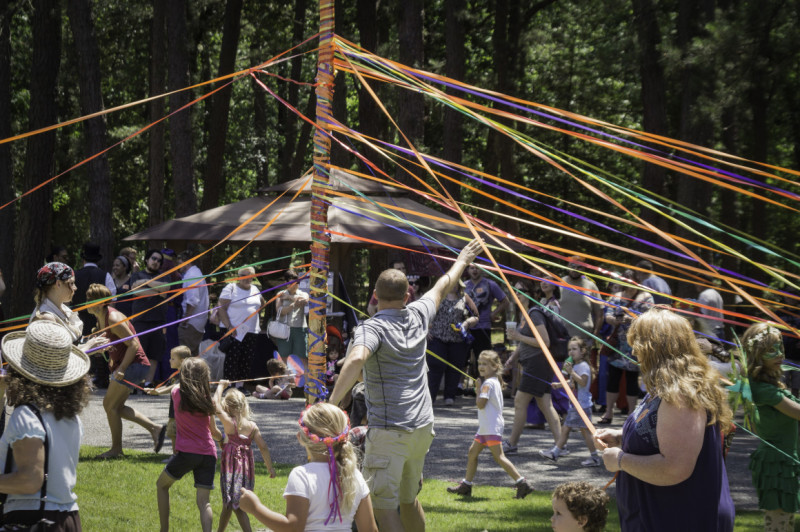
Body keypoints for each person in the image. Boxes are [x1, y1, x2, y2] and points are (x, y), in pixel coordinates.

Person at [329, 238, 483, 532]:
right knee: (409, 499)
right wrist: (462, 258)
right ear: (407, 296)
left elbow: (354, 361)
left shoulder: (370, 327)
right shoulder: (419, 313)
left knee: (383, 507)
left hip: (391, 431)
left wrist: (330, 405)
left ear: (375, 295)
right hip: (422, 428)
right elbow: (445, 283)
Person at [594, 307, 734, 531]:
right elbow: (661, 434)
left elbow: (675, 467)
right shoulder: (664, 388)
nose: (634, 353)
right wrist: (622, 437)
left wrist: (620, 460)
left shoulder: (680, 396)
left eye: (637, 346)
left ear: (654, 349)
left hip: (677, 518)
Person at [0, 320, 92, 530]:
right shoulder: (70, 416)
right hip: (67, 518)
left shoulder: (27, 415)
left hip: (36, 519)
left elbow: (30, 481)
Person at [238, 403, 378, 532]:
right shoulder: (354, 475)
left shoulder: (302, 475)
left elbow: (293, 527)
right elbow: (370, 529)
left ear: (301, 437)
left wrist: (255, 508)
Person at [85, 283, 166, 459]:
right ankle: (156, 429)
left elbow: (134, 344)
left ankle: (116, 450)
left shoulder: (113, 318)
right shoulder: (100, 319)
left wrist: (121, 369)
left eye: (89, 300)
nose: (86, 303)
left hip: (134, 365)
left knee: (109, 405)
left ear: (99, 302)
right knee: (116, 407)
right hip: (128, 365)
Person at [446, 350, 534, 498]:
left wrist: (478, 389)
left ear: (494, 366)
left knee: (499, 457)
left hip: (491, 426)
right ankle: (466, 485)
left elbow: (480, 404)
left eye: (485, 364)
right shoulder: (493, 382)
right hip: (486, 426)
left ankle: (522, 483)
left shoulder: (487, 384)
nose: (481, 366)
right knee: (472, 452)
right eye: (480, 363)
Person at [743, 323, 800, 532]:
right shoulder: (763, 389)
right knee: (778, 525)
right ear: (757, 355)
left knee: (784, 524)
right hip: (776, 465)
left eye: (780, 348)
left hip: (785, 460)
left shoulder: (769, 385)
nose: (779, 354)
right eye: (770, 350)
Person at [156, 357, 223, 532]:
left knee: (161, 485)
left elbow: (176, 386)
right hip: (208, 454)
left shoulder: (177, 393)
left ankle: (164, 530)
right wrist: (222, 440)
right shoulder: (208, 400)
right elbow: (215, 433)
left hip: (187, 453)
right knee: (204, 502)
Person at [501, 280, 562, 455]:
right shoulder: (524, 314)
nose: (517, 293)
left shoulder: (534, 314)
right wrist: (513, 357)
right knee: (545, 404)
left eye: (520, 290)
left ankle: (512, 444)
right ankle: (560, 444)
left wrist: (519, 336)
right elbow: (524, 341)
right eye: (514, 291)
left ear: (530, 294)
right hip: (534, 362)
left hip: (538, 363)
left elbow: (545, 341)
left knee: (520, 401)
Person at [213, 381, 276, 532]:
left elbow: (215, 404)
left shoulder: (229, 423)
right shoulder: (252, 426)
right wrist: (270, 468)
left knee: (236, 506)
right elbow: (263, 447)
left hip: (231, 469)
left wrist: (221, 386)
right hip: (245, 470)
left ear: (227, 407)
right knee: (230, 504)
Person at [597, 278, 654, 424]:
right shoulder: (616, 296)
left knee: (631, 380)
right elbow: (607, 314)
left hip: (635, 346)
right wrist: (613, 320)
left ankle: (631, 414)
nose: (630, 289)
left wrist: (630, 319)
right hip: (617, 344)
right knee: (613, 379)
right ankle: (608, 412)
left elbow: (649, 318)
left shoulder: (646, 298)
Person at [539, 338, 599, 466]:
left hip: (580, 405)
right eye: (569, 349)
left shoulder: (582, 366)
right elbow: (573, 382)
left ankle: (555, 452)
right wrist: (559, 384)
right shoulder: (577, 365)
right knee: (581, 431)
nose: (571, 352)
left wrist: (571, 371)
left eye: (574, 349)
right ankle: (594, 457)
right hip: (579, 405)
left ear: (583, 351)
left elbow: (582, 382)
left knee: (566, 428)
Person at [30, 262, 108, 353]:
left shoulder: (64, 309)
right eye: (71, 283)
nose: (75, 288)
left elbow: (70, 347)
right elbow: (55, 358)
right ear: (58, 284)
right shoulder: (46, 317)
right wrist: (89, 347)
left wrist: (94, 344)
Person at [426, 279, 479, 405]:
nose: (453, 286)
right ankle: (430, 398)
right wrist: (426, 329)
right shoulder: (437, 296)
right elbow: (425, 314)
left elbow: (476, 316)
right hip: (437, 337)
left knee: (455, 368)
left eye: (456, 283)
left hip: (457, 339)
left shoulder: (464, 297)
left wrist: (466, 323)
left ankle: (450, 396)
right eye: (451, 283)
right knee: (435, 367)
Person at [219, 267, 266, 392]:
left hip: (251, 330)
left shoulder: (255, 289)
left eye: (250, 276)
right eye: (243, 275)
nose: (247, 278)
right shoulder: (230, 288)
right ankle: (229, 386)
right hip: (234, 330)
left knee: (246, 359)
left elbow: (262, 304)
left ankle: (240, 387)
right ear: (238, 277)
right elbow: (221, 308)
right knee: (232, 358)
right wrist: (229, 326)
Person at [129, 249, 170, 385]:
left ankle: (147, 384)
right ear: (146, 259)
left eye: (159, 260)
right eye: (154, 258)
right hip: (140, 320)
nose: (156, 262)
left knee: (154, 354)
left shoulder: (165, 275)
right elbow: (135, 289)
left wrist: (146, 282)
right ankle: (135, 383)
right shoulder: (136, 275)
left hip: (158, 321)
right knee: (138, 353)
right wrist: (156, 290)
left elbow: (165, 290)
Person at [145, 345, 194, 453]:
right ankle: (175, 455)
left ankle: (179, 455)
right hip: (174, 410)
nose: (169, 360)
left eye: (173, 358)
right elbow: (167, 385)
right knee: (172, 433)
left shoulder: (186, 374)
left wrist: (158, 392)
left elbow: (175, 386)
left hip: (182, 410)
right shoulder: (175, 374)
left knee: (178, 433)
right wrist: (153, 389)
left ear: (182, 361)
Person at [465, 262, 509, 378]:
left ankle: (483, 382)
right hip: (466, 328)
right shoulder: (463, 285)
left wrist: (493, 313)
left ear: (482, 270)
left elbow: (505, 301)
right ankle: (460, 385)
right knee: (463, 357)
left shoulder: (490, 284)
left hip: (483, 327)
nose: (474, 270)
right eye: (472, 268)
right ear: (468, 270)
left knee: (483, 357)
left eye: (477, 268)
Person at [560, 257, 604, 343]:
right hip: (561, 337)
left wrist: (594, 335)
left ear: (584, 268)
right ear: (568, 266)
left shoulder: (591, 286)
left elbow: (600, 314)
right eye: (572, 266)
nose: (575, 269)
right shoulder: (559, 283)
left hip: (585, 338)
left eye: (579, 267)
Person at [177, 250, 209, 355]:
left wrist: (185, 320)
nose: (178, 266)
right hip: (196, 322)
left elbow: (193, 300)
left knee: (184, 357)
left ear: (187, 262)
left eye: (179, 262)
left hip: (191, 323)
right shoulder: (194, 273)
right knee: (192, 357)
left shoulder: (192, 275)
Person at [273, 270, 310, 362]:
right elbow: (280, 311)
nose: (295, 285)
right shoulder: (280, 294)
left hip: (300, 329)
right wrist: (293, 304)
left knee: (302, 358)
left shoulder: (303, 293)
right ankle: (286, 376)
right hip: (284, 329)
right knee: (284, 357)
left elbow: (304, 301)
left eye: (296, 282)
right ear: (286, 283)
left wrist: (289, 298)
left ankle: (301, 376)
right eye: (291, 282)